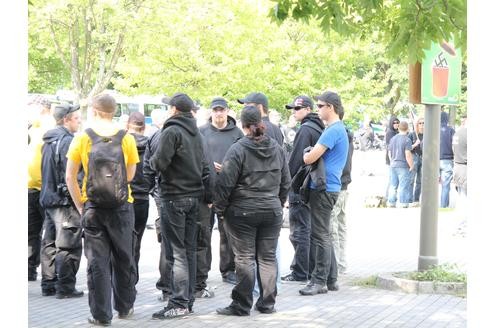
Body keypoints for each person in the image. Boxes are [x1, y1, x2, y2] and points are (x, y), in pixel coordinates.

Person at [66, 94, 138, 326]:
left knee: (97, 262)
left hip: (94, 208)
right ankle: (125, 307)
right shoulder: (125, 138)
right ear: (114, 111)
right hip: (122, 207)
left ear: (95, 111)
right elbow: (130, 175)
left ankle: (101, 315)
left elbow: (70, 176)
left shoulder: (82, 137)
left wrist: (80, 204)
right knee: (124, 257)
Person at [214, 105, 290, 316]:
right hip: (271, 210)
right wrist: (277, 201)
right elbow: (286, 182)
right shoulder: (276, 148)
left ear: (243, 125)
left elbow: (225, 184)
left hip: (243, 212)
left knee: (245, 259)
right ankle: (267, 303)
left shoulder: (238, 149)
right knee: (267, 258)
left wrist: (220, 210)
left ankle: (242, 304)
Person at [150, 93, 210, 320]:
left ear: (174, 109)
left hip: (174, 196)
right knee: (189, 250)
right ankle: (188, 300)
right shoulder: (197, 133)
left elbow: (159, 162)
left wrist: (152, 161)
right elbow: (205, 166)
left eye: (168, 107)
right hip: (194, 197)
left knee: (177, 254)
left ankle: (178, 302)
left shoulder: (171, 131)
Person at [299, 90, 349, 296]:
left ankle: (319, 281)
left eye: (320, 106)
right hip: (330, 187)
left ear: (331, 107)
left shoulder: (332, 130)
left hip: (324, 188)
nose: (317, 109)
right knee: (325, 233)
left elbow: (310, 158)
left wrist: (305, 153)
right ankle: (331, 278)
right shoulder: (339, 129)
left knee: (320, 235)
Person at [198, 97, 243, 293]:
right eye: (215, 110)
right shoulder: (201, 132)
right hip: (206, 190)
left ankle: (228, 269)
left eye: (221, 110)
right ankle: (202, 272)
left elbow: (244, 157)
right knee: (204, 233)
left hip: (229, 190)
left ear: (227, 111)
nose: (218, 113)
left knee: (227, 233)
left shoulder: (237, 133)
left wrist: (228, 167)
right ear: (211, 112)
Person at [39, 103, 84, 299]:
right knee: (68, 244)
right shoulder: (67, 141)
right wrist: (79, 200)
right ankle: (65, 287)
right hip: (64, 200)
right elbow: (72, 175)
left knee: (49, 242)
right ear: (66, 119)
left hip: (49, 198)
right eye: (76, 118)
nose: (79, 121)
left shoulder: (48, 140)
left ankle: (49, 284)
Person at [281, 95, 325, 283]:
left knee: (299, 231)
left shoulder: (306, 129)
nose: (294, 112)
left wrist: (287, 184)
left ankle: (300, 271)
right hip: (312, 184)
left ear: (308, 109)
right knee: (308, 229)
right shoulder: (319, 127)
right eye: (293, 109)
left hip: (301, 185)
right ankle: (307, 269)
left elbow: (297, 160)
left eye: (297, 109)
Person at [27, 98, 52, 282]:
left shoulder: (50, 128)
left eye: (30, 106)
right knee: (30, 232)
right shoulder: (30, 127)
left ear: (41, 108)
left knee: (49, 235)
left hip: (46, 189)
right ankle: (29, 269)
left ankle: (49, 276)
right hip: (30, 187)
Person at [126, 112, 150, 285]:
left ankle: (124, 279)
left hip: (126, 196)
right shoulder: (150, 144)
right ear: (144, 127)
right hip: (143, 197)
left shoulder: (122, 143)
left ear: (128, 125)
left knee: (123, 240)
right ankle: (133, 277)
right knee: (137, 240)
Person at [329, 117, 354, 275]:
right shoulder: (347, 135)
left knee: (333, 227)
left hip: (337, 185)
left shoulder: (337, 135)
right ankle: (342, 263)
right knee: (340, 225)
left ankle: (336, 264)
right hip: (344, 185)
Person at [387, 121, 414, 208]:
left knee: (393, 185)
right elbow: (408, 154)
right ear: (407, 129)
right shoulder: (407, 140)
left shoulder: (393, 139)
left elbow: (389, 152)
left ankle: (391, 202)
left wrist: (392, 161)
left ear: (398, 128)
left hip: (393, 164)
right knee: (403, 185)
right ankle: (403, 202)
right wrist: (411, 165)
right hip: (403, 165)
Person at [439, 111, 455, 208]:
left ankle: (431, 206)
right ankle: (443, 206)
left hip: (434, 160)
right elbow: (455, 146)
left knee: (432, 184)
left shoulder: (433, 129)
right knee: (445, 185)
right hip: (447, 160)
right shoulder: (451, 130)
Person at [407, 117, 424, 206]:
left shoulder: (427, 134)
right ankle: (409, 200)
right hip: (414, 157)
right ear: (416, 124)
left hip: (423, 158)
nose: (421, 125)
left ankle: (416, 200)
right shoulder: (412, 135)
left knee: (420, 181)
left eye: (423, 123)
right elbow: (407, 148)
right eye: (420, 123)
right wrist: (415, 144)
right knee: (411, 180)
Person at [384, 116, 400, 198]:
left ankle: (390, 197)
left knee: (394, 179)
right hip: (391, 158)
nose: (396, 124)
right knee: (391, 179)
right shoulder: (390, 132)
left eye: (397, 123)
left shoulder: (397, 132)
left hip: (396, 159)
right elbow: (389, 147)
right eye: (394, 123)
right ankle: (387, 197)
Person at [452, 115, 467, 196]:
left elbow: (453, 149)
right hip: (465, 168)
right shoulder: (467, 133)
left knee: (461, 194)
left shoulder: (457, 133)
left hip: (458, 166)